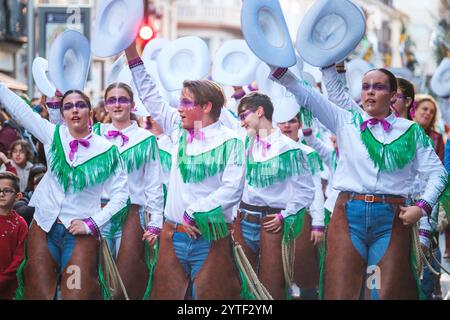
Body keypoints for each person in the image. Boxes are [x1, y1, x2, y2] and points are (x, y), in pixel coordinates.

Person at [270, 65, 447, 299]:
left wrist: (421, 207)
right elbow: (307, 94)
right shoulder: (346, 120)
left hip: (392, 221)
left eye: (378, 87)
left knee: (381, 293)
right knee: (342, 291)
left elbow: (439, 174)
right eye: (366, 87)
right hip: (347, 217)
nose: (370, 92)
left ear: (393, 95)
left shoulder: (411, 131)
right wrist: (278, 66)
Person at [126, 41, 246, 300]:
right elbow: (151, 97)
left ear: (205, 107)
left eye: (186, 102)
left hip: (211, 238)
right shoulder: (178, 131)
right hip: (173, 237)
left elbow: (233, 190)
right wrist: (131, 53)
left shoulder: (231, 140)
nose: (178, 108)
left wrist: (194, 212)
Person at [0, 82, 129, 300]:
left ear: (89, 111)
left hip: (79, 235)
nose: (74, 109)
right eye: (68, 106)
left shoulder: (108, 150)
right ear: (63, 113)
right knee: (38, 293)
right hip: (43, 227)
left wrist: (93, 223)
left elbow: (121, 196)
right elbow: (21, 111)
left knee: (75, 293)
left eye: (80, 105)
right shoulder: (53, 135)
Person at [235, 92, 315, 299]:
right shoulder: (245, 144)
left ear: (260, 112)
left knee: (273, 287)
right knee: (243, 285)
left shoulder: (290, 148)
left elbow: (306, 191)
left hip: (273, 223)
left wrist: (284, 216)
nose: (242, 122)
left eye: (244, 116)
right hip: (244, 221)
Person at [92, 82, 164, 299]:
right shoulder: (95, 134)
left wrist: (155, 222)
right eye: (112, 100)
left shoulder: (145, 139)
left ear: (132, 105)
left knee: (126, 277)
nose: (117, 104)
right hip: (98, 212)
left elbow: (153, 183)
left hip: (132, 214)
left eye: (122, 99)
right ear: (106, 105)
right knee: (95, 275)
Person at [275, 110, 324, 299]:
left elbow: (316, 189)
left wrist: (318, 224)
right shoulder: (266, 151)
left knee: (304, 271)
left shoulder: (308, 153)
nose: (287, 125)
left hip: (301, 220)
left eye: (292, 121)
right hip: (273, 218)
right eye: (282, 121)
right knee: (275, 272)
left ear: (300, 125)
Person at [0, 172, 27, 299]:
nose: (1, 194)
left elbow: (20, 258)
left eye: (7, 191)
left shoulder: (20, 224)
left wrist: (3, 279)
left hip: (9, 287)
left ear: (18, 196)